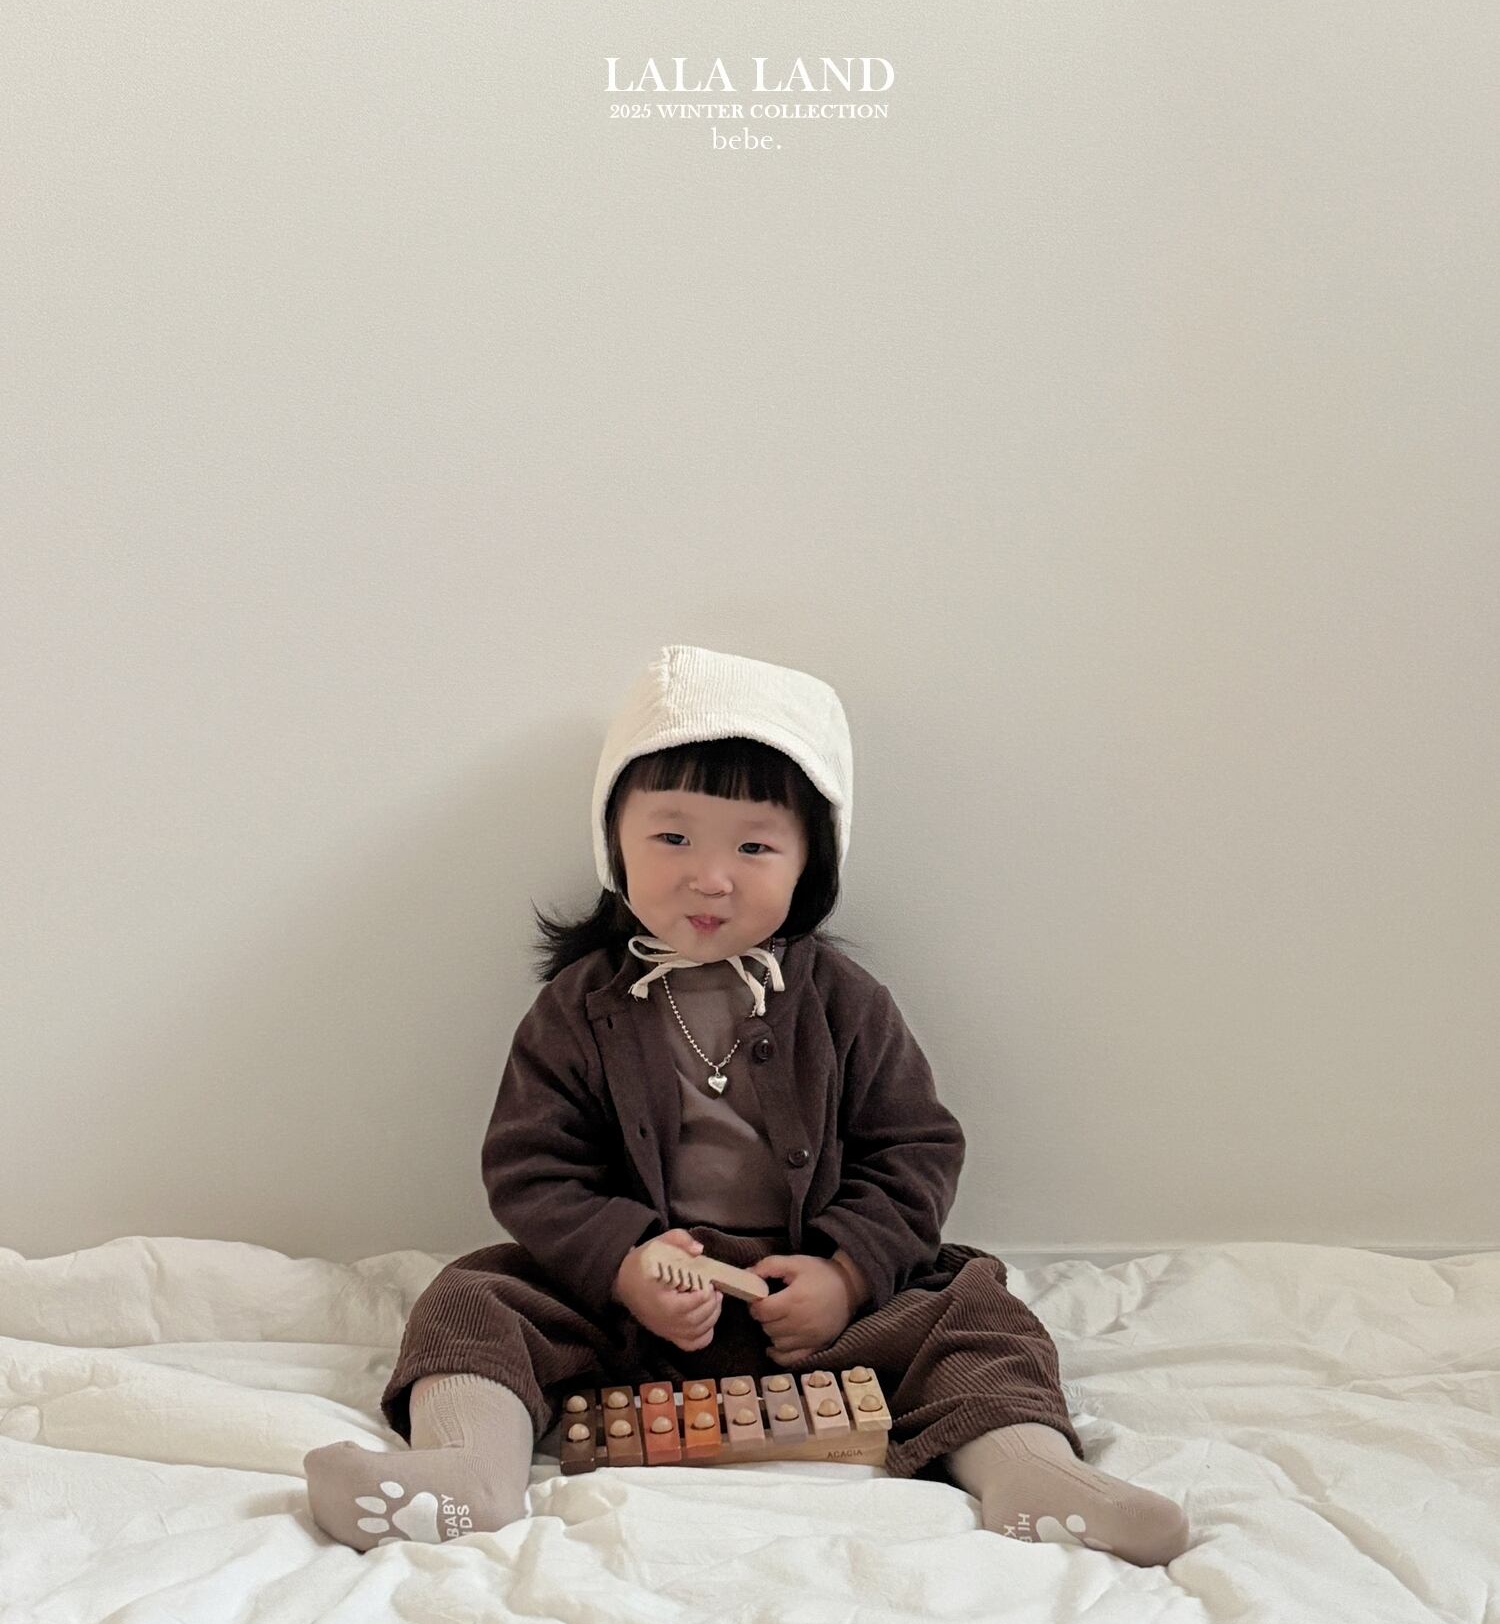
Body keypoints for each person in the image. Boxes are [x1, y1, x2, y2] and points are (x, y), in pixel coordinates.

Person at [305, 644, 1190, 1566]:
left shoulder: (844, 1003)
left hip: (814, 1304)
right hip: (637, 1303)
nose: (711, 877)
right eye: (673, 838)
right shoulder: (578, 1008)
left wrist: (846, 1275)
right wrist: (625, 1263)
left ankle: (1033, 1477)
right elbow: (533, 1165)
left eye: (754, 846)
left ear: (811, 863)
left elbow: (915, 1149)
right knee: (473, 1297)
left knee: (975, 1310)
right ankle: (465, 1476)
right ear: (614, 843)